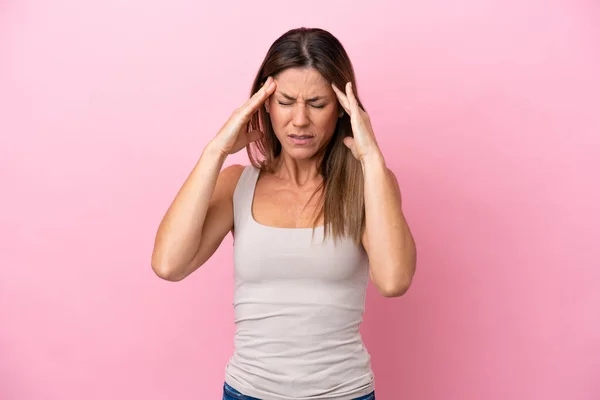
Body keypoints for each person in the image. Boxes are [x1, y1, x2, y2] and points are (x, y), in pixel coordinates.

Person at [151, 27, 417, 400]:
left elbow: (393, 280)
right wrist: (216, 151)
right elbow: (168, 264)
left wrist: (371, 159)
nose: (300, 121)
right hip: (247, 392)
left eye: (318, 104)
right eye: (287, 101)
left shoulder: (368, 184)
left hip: (344, 393)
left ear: (343, 108)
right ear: (265, 103)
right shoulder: (237, 184)